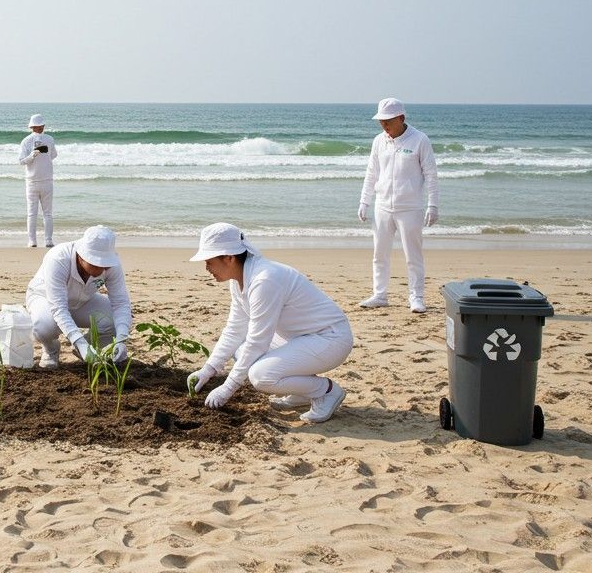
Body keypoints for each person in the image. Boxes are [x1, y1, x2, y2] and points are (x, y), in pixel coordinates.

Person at [186, 223, 354, 423]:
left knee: (261, 376)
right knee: (240, 350)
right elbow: (235, 329)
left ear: (229, 258)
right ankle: (302, 393)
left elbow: (258, 342)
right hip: (300, 338)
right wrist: (208, 369)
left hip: (330, 339)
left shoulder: (264, 280)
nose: (206, 268)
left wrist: (228, 387)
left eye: (209, 261)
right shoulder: (238, 280)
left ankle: (326, 391)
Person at [357, 97, 440, 313]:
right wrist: (364, 201)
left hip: (410, 208)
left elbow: (431, 174)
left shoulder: (419, 140)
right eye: (381, 121)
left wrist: (433, 205)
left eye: (388, 121)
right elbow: (372, 172)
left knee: (413, 256)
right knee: (379, 254)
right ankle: (380, 294)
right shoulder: (379, 141)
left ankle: (416, 297)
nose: (384, 125)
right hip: (382, 206)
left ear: (401, 118)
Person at [27, 225, 133, 368]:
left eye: (105, 264)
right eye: (96, 263)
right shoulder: (58, 258)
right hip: (45, 298)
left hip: (83, 301)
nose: (103, 269)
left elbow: (121, 303)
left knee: (118, 320)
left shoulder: (112, 265)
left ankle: (88, 347)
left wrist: (121, 339)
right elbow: (58, 307)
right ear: (81, 256)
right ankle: (51, 349)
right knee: (44, 326)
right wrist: (79, 342)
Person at [18, 114, 58, 247]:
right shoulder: (32, 140)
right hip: (38, 181)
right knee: (39, 213)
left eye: (41, 126)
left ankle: (41, 240)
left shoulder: (44, 139)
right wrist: (33, 156)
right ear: (34, 127)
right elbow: (21, 161)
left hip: (41, 181)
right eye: (38, 126)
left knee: (40, 213)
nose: (40, 128)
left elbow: (53, 155)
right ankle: (40, 240)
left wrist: (36, 157)